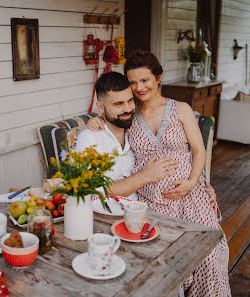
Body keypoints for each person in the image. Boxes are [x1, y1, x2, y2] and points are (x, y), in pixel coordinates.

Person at [87, 51, 230, 297]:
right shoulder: (129, 115)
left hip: (190, 198)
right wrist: (94, 122)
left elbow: (199, 150)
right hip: (150, 203)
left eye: (145, 80)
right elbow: (109, 117)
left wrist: (193, 182)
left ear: (158, 78)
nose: (139, 87)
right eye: (133, 82)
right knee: (169, 266)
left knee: (210, 258)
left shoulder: (181, 109)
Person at [74, 72, 179, 201]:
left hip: (146, 208)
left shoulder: (137, 132)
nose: (128, 109)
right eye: (118, 104)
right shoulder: (89, 139)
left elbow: (180, 150)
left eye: (130, 101)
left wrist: (199, 187)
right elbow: (93, 190)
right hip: (104, 216)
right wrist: (145, 176)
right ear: (101, 107)